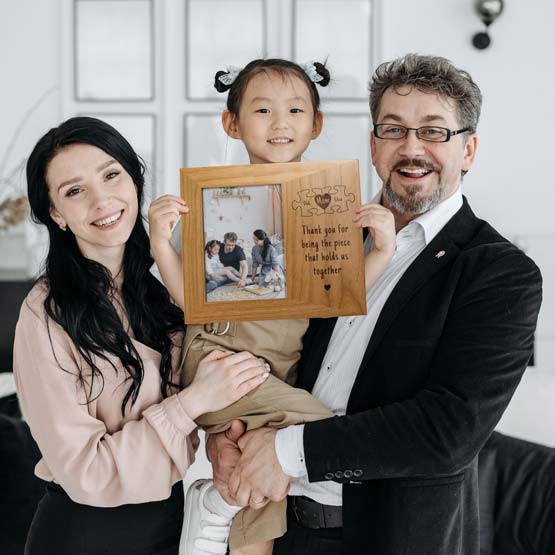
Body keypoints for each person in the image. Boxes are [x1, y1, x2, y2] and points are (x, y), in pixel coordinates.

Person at [206, 53, 544, 555]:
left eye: (434, 132)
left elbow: (449, 430)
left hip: (394, 538)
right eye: (393, 129)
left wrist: (283, 450)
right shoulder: (326, 238)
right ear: (373, 144)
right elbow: (275, 348)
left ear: (468, 150)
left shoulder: (500, 272)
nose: (412, 149)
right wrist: (226, 434)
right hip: (285, 529)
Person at [148, 59, 396, 555]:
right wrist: (160, 242)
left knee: (264, 507)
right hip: (220, 360)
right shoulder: (213, 203)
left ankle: (219, 507)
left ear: (315, 124)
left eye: (295, 110)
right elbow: (186, 298)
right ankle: (216, 506)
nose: (280, 123)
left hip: (274, 375)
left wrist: (382, 250)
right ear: (231, 123)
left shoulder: (328, 206)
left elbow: (342, 296)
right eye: (262, 110)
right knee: (326, 437)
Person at [14, 116, 269, 555]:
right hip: (83, 535)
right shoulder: (47, 311)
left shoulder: (163, 294)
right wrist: (192, 403)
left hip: (168, 527)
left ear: (134, 180)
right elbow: (85, 472)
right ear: (55, 213)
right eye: (75, 191)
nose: (102, 201)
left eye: (111, 175)